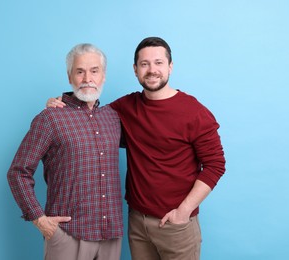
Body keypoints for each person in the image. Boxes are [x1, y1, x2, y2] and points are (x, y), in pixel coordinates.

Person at [47, 37, 226, 260]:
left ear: (170, 66)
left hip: (176, 224)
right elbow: (88, 117)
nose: (152, 70)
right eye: (144, 64)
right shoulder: (125, 107)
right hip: (137, 223)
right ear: (135, 70)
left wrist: (183, 211)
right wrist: (61, 102)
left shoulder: (194, 112)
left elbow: (216, 164)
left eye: (159, 63)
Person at [7, 43, 123, 260]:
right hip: (68, 236)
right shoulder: (50, 118)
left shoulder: (113, 118)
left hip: (110, 236)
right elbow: (18, 171)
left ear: (103, 76)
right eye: (80, 71)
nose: (87, 78)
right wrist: (39, 219)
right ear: (70, 77)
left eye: (94, 71)